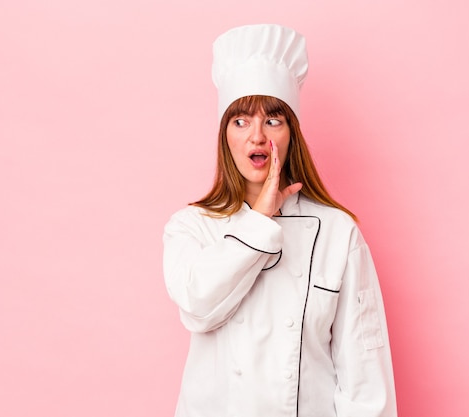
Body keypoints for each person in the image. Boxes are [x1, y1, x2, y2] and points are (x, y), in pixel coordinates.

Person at [162, 24, 397, 417]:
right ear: (225, 136)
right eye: (240, 121)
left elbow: (364, 378)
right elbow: (198, 307)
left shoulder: (338, 234)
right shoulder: (191, 226)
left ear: (291, 133)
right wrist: (259, 220)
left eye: (273, 120)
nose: (257, 136)